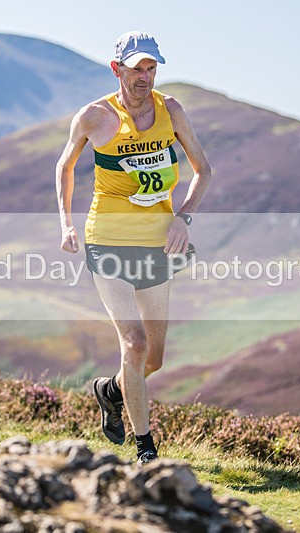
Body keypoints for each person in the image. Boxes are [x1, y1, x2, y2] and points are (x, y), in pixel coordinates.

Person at [55, 31, 211, 465]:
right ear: (116, 68)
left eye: (152, 68)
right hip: (106, 239)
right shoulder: (94, 117)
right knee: (135, 342)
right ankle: (146, 451)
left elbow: (203, 170)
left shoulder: (171, 111)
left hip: (157, 244)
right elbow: (64, 166)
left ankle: (110, 390)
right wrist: (67, 224)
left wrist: (183, 217)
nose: (145, 77)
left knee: (153, 359)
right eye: (137, 68)